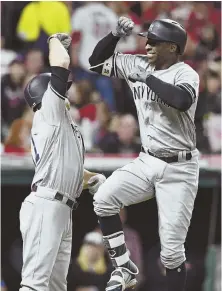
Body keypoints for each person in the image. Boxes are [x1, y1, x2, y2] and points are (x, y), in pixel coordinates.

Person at [89, 17, 200, 291]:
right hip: (147, 159)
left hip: (179, 168)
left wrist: (147, 77)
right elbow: (95, 62)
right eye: (146, 38)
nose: (147, 44)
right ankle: (125, 267)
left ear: (173, 48)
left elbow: (182, 99)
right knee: (103, 199)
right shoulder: (137, 62)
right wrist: (114, 34)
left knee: (172, 254)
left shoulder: (185, 73)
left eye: (154, 41)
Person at [19, 33, 106, 291]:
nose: (66, 93)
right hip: (46, 204)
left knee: (57, 286)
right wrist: (54, 40)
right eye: (60, 90)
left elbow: (70, 172)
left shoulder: (62, 124)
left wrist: (92, 179)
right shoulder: (48, 112)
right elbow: (62, 62)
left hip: (62, 207)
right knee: (34, 284)